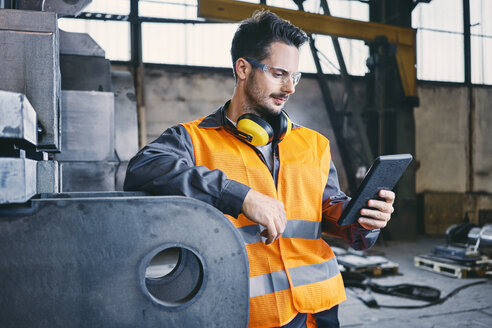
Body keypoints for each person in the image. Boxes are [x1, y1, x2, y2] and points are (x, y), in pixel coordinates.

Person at [124, 10, 395, 328]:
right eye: (279, 74)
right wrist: (241, 196)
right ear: (243, 68)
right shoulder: (194, 139)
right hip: (252, 314)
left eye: (294, 77)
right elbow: (144, 168)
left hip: (321, 308)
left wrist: (364, 220)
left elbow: (328, 209)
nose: (289, 88)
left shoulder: (313, 144)